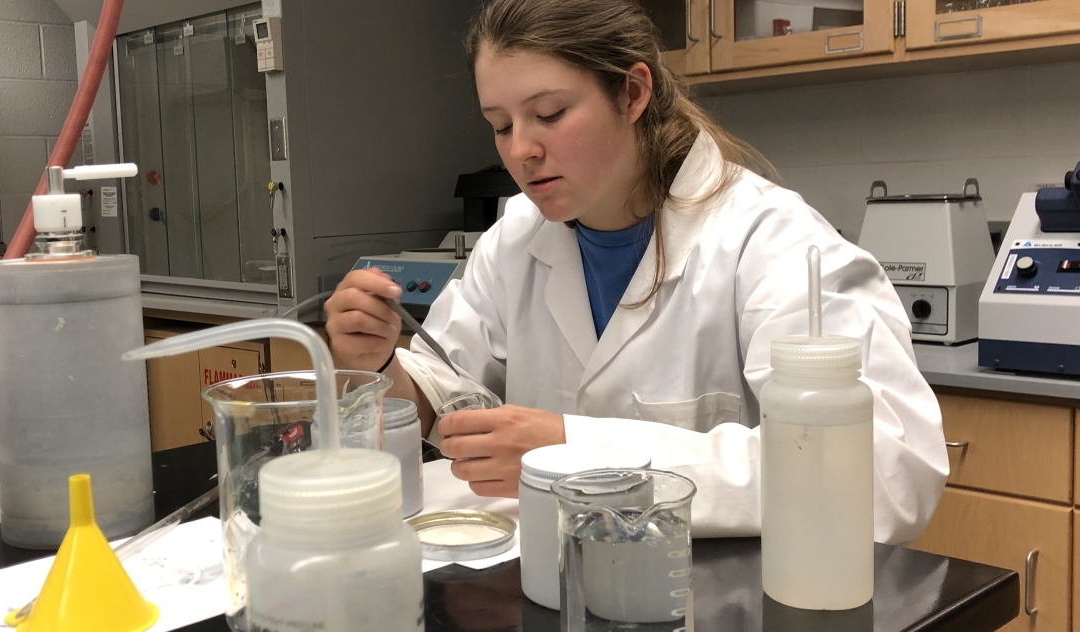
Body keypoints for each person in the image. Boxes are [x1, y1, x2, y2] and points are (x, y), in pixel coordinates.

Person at [324, 0, 947, 543]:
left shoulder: (770, 241)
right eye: (501, 126)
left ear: (632, 93)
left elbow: (888, 472)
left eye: (549, 113)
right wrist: (379, 369)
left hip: (721, 602)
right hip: (549, 588)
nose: (520, 150)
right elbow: (445, 401)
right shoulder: (515, 239)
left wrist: (576, 454)